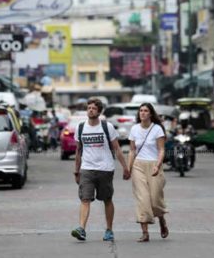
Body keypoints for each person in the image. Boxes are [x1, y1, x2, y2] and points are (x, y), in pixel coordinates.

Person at [72, 98, 130, 242]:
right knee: (85, 199)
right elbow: (78, 151)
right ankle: (81, 229)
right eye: (89, 108)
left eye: (93, 108)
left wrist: (125, 167)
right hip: (87, 169)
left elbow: (116, 148)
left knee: (107, 199)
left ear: (99, 111)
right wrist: (76, 170)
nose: (90, 110)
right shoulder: (80, 127)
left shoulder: (107, 127)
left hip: (105, 169)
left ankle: (109, 230)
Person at [128, 103, 168, 242]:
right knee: (142, 198)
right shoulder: (134, 129)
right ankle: (145, 233)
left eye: (145, 111)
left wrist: (158, 165)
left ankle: (161, 219)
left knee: (155, 199)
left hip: (153, 165)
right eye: (141, 111)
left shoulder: (157, 129)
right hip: (138, 165)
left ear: (150, 114)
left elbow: (161, 150)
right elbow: (132, 150)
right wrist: (128, 168)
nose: (142, 113)